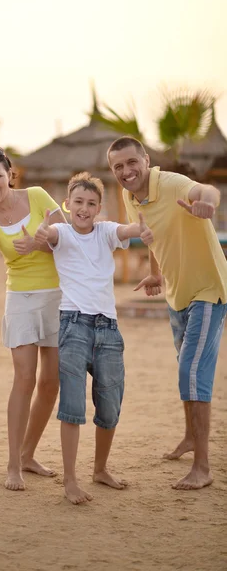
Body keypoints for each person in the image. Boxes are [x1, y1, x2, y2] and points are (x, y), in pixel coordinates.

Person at [108, 136, 227, 490]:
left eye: (132, 163)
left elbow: (206, 190)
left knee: (193, 372)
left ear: (145, 159)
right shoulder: (131, 198)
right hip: (176, 295)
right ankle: (191, 437)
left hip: (208, 289)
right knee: (185, 369)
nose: (126, 171)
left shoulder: (173, 183)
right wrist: (156, 273)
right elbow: (150, 235)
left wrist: (207, 204)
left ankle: (202, 468)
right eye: (118, 167)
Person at [35, 171, 154, 504]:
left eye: (91, 204)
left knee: (110, 403)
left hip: (109, 328)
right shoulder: (61, 231)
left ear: (99, 207)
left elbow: (125, 230)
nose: (84, 209)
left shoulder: (104, 232)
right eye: (78, 203)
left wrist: (139, 229)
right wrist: (43, 233)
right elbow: (49, 238)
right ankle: (70, 480)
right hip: (73, 325)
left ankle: (100, 469)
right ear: (68, 204)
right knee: (72, 404)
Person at [0, 146, 66, 491]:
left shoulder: (38, 196)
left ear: (10, 174)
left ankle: (28, 454)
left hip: (57, 295)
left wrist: (39, 245)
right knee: (25, 378)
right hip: (21, 299)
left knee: (51, 383)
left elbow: (68, 237)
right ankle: (13, 466)